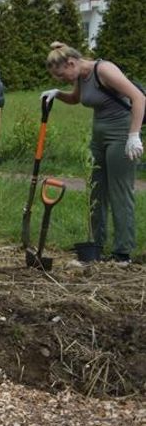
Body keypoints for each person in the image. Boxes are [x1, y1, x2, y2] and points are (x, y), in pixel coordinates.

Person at [44, 42, 145, 263]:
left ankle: (122, 252)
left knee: (120, 191)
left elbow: (139, 98)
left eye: (62, 76)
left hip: (121, 135)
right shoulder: (81, 75)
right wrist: (58, 93)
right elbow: (76, 99)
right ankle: (95, 247)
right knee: (96, 193)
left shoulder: (104, 70)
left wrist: (133, 135)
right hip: (98, 137)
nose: (64, 80)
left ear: (71, 63)